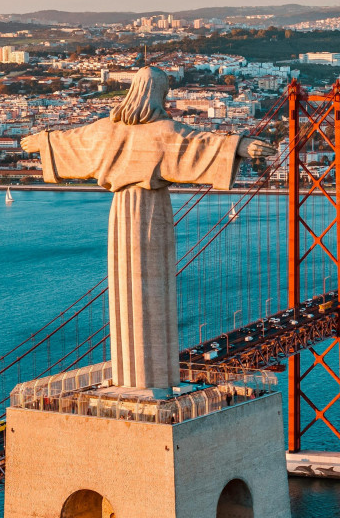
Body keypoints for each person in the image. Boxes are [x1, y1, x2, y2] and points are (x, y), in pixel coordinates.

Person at [20, 66, 276, 392]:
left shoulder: (105, 131)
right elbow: (200, 144)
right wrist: (240, 146)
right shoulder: (163, 131)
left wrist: (44, 143)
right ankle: (150, 386)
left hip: (121, 213)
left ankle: (140, 383)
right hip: (153, 212)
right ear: (159, 93)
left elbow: (72, 141)